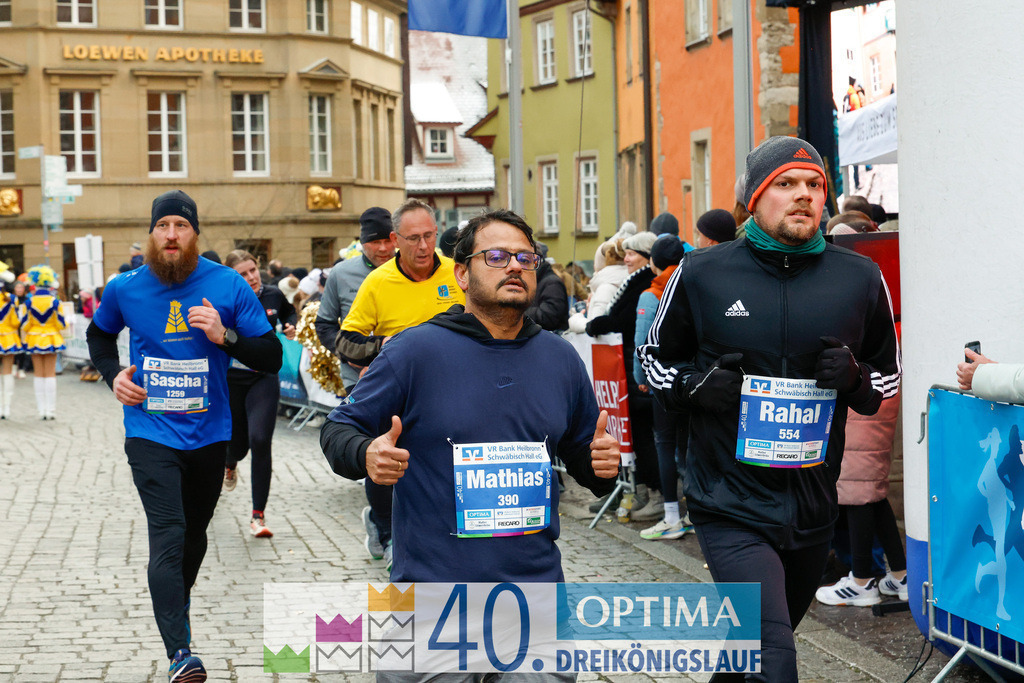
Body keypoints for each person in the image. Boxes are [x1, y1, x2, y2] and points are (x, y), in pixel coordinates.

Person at [638, 136, 900, 682]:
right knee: (772, 656)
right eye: (785, 184)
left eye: (814, 185)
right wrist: (696, 387)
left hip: (811, 508)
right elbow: (654, 363)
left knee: (749, 654)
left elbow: (887, 376)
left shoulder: (857, 278)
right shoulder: (705, 272)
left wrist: (853, 378)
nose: (803, 195)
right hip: (728, 501)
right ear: (755, 199)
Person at [320, 209, 620, 588]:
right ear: (462, 274)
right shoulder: (414, 352)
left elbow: (583, 454)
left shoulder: (559, 358)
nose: (514, 267)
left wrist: (601, 465)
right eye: (496, 257)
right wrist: (365, 453)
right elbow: (337, 428)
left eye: (525, 258)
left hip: (537, 590)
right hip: (434, 593)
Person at [86, 189, 282, 682]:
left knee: (194, 537)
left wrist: (225, 337)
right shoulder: (124, 287)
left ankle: (173, 602)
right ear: (152, 233)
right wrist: (115, 376)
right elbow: (98, 335)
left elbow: (271, 356)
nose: (171, 235)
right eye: (163, 226)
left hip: (209, 433)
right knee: (169, 533)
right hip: (149, 431)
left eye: (181, 226)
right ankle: (181, 653)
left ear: (195, 233)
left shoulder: (228, 285)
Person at [335, 198, 465, 571]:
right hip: (398, 393)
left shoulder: (458, 274)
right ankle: (386, 529)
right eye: (413, 239)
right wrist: (381, 347)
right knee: (388, 463)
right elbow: (346, 341)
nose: (423, 247)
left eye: (429, 236)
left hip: (452, 389)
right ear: (395, 239)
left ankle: (443, 539)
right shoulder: (378, 283)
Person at [221, 249, 297, 538]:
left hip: (263, 378)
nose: (251, 277)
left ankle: (258, 515)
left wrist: (291, 325)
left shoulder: (272, 294)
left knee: (261, 439)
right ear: (232, 277)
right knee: (238, 446)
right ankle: (229, 463)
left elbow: (289, 311)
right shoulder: (225, 300)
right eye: (242, 273)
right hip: (231, 379)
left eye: (253, 269)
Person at [585, 231, 660, 521]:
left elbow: (625, 321)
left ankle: (657, 494)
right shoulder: (637, 279)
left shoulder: (644, 282)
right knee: (639, 434)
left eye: (632, 253)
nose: (625, 258)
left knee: (645, 434)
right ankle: (645, 490)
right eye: (625, 253)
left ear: (645, 256)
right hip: (629, 366)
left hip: (636, 369)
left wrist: (597, 324)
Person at [633, 235, 692, 540]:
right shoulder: (691, 282)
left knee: (665, 446)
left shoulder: (652, 293)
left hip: (662, 381)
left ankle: (672, 516)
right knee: (688, 447)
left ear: (653, 262)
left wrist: (641, 380)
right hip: (690, 381)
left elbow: (641, 344)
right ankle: (694, 513)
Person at [315, 207, 396, 393]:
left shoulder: (407, 271)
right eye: (375, 242)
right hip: (357, 375)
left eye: (387, 241)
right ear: (362, 243)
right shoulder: (341, 273)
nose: (383, 248)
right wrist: (348, 354)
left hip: (402, 368)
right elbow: (324, 324)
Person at [22, 265, 67, 420]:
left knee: (38, 373)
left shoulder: (29, 302)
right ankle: (51, 410)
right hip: (51, 338)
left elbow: (25, 324)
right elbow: (61, 324)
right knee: (50, 373)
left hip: (34, 338)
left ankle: (41, 410)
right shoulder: (55, 302)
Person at [524, 242, 569, 332]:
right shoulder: (536, 280)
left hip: (550, 339)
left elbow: (548, 317)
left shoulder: (552, 283)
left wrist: (518, 313)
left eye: (524, 260)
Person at [0, 263, 23, 419]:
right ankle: (6, 408)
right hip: (8, 338)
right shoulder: (12, 299)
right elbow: (16, 322)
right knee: (7, 372)